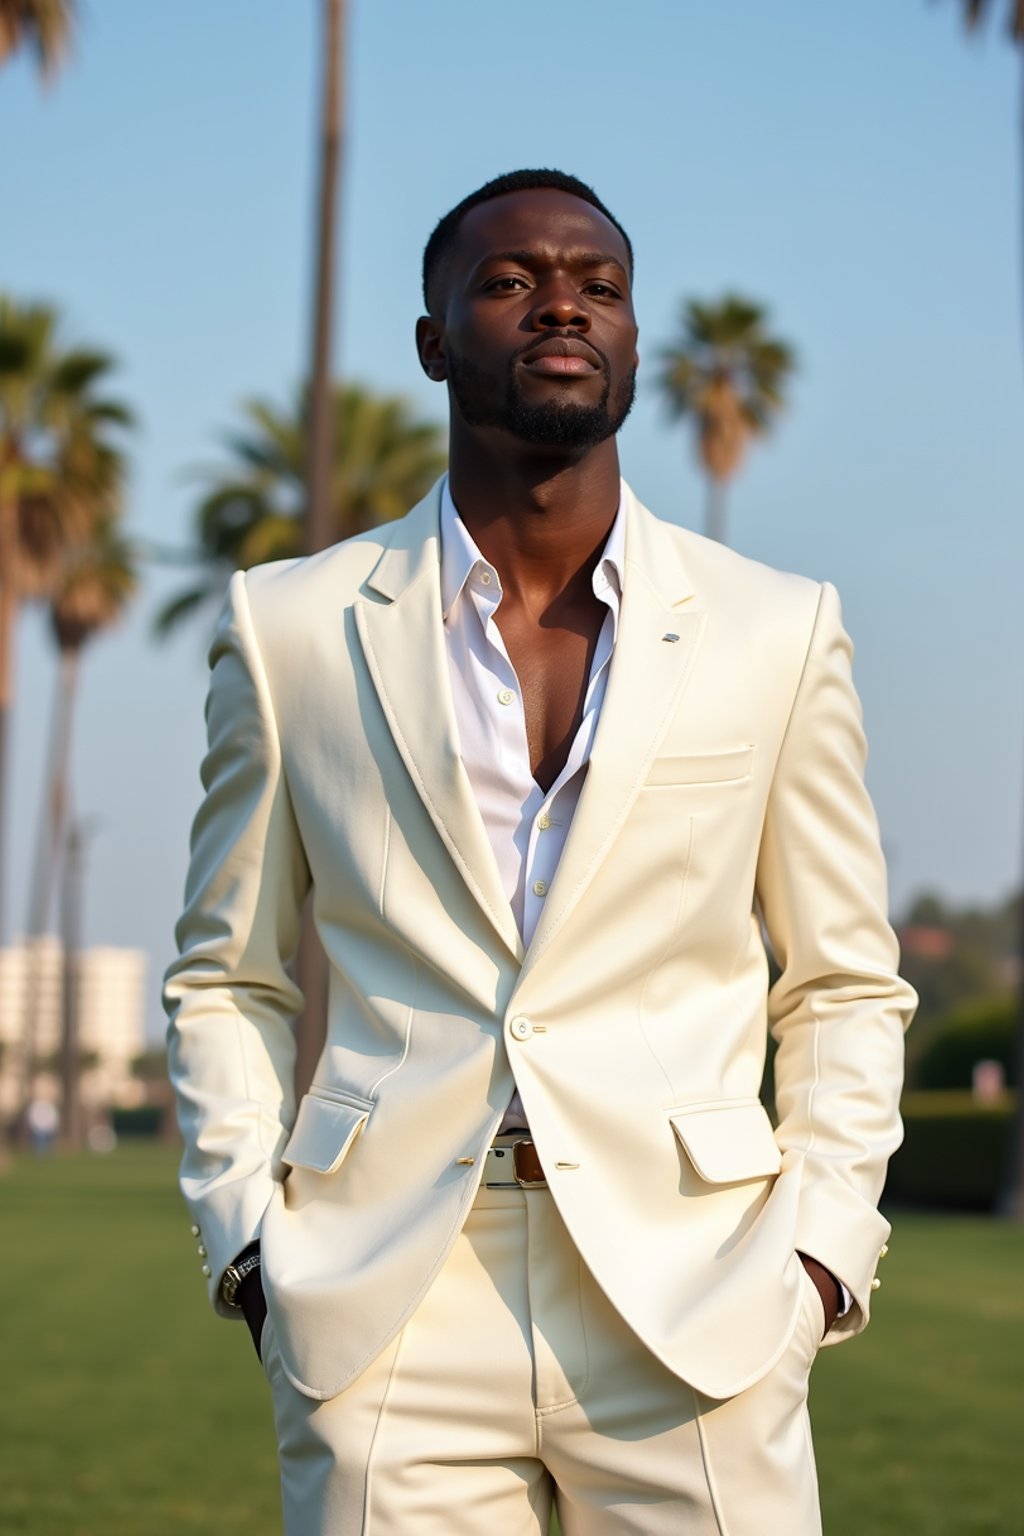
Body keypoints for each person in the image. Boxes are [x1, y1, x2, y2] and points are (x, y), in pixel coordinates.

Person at [165, 168, 916, 1535]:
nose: (561, 303)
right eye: (510, 280)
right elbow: (227, 976)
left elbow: (846, 984)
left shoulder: (776, 628)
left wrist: (817, 1258)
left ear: (631, 338)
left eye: (600, 285)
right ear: (435, 341)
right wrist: (255, 1251)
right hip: (387, 1301)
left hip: (701, 1302)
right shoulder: (290, 628)